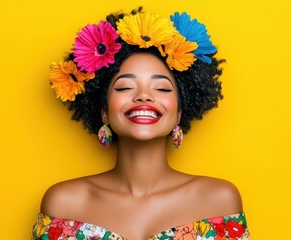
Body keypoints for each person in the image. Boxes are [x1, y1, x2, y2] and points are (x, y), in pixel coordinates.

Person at [32, 6, 250, 240]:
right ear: (104, 112)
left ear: (178, 114)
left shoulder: (219, 200)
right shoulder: (64, 204)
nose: (144, 96)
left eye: (162, 88)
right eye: (125, 87)